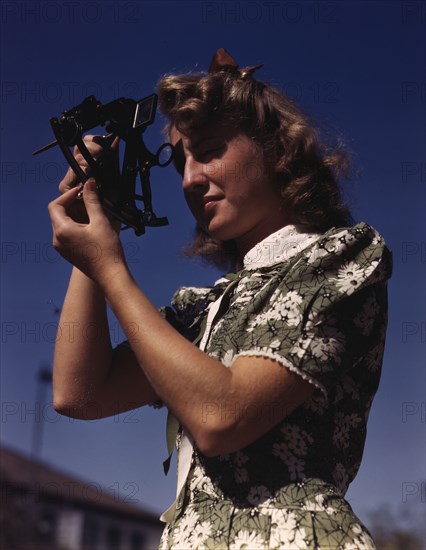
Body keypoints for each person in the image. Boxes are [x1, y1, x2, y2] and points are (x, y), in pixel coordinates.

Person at [48, 48, 392, 549]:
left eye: (208, 151)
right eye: (180, 161)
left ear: (276, 149)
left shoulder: (342, 255)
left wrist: (112, 270)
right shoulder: (201, 308)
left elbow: (222, 418)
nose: (189, 179)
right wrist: (98, 231)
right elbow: (79, 392)